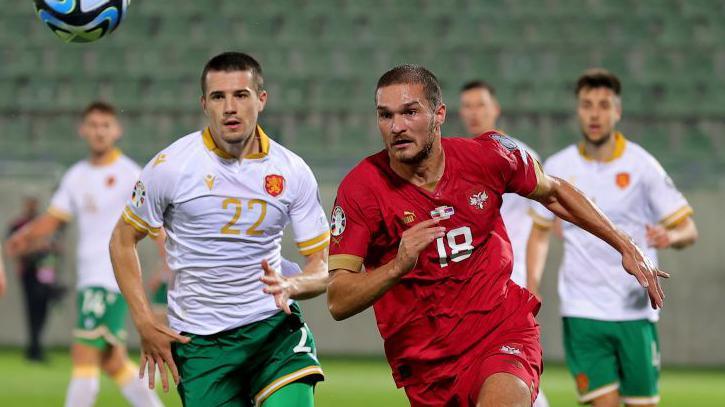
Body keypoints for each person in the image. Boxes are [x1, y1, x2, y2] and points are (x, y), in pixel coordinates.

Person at [326, 64, 667, 407]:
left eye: (410, 112)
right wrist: (396, 267)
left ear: (439, 114)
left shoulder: (488, 156)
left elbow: (554, 192)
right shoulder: (361, 190)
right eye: (385, 116)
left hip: (501, 332)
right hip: (427, 367)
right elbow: (338, 300)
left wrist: (625, 243)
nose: (397, 126)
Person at [109, 51, 330, 407]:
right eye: (218, 97)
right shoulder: (172, 167)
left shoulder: (292, 171)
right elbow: (122, 241)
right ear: (204, 104)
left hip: (272, 331)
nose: (230, 107)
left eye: (241, 95)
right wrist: (143, 319)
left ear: (261, 99)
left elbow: (323, 267)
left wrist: (293, 283)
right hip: (201, 345)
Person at [526, 69, 698, 407]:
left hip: (635, 311)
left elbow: (689, 230)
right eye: (587, 104)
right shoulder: (558, 167)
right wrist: (532, 283)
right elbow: (540, 233)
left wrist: (671, 234)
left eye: (603, 105)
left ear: (617, 111)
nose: (594, 113)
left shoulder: (642, 166)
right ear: (578, 111)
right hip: (582, 310)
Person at [6, 102, 164, 407]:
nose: (99, 131)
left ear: (116, 131)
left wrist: (167, 257)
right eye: (93, 125)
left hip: (110, 278)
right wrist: (22, 238)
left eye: (105, 125)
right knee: (112, 361)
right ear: (83, 130)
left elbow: (153, 219)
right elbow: (53, 218)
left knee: (83, 353)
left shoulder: (130, 173)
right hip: (89, 278)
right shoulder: (76, 175)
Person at [459, 80, 549, 407]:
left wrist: (534, 282)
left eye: (480, 105)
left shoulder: (520, 155)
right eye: (467, 106)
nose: (473, 112)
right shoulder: (458, 158)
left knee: (508, 369)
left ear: (496, 108)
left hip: (511, 282)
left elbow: (543, 224)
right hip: (470, 287)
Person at [7, 196, 64, 362]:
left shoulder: (45, 226)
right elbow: (13, 249)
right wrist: (35, 246)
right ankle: (33, 348)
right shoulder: (18, 226)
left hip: (46, 274)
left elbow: (56, 247)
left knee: (43, 311)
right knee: (32, 311)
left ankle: (37, 346)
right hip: (29, 273)